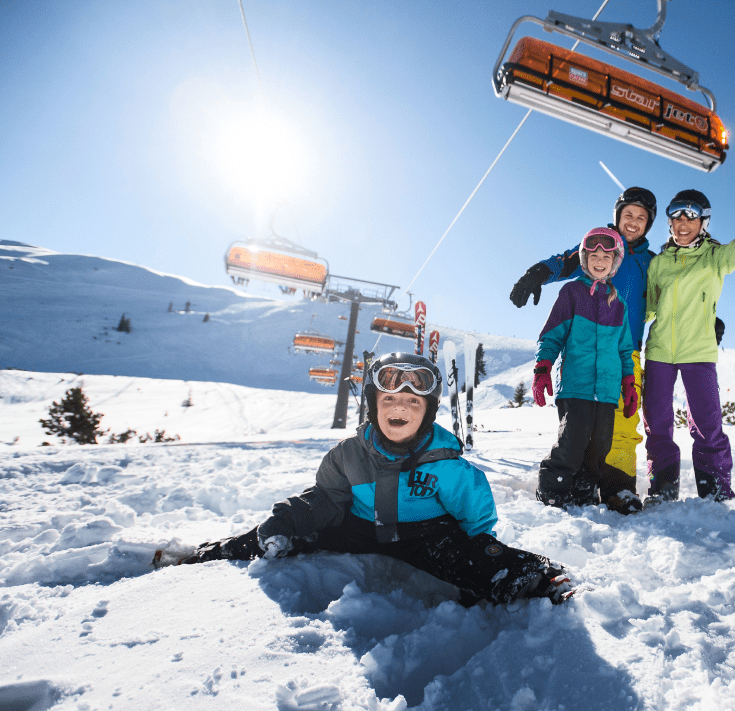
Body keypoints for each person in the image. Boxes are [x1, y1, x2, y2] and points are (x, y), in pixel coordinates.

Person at [180, 353, 573, 606]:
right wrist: (289, 519)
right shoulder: (347, 455)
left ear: (427, 412)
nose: (399, 406)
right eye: (388, 400)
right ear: (372, 406)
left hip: (426, 536)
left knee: (477, 557)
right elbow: (325, 500)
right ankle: (214, 552)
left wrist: (475, 548)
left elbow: (476, 514)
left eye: (412, 402)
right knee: (290, 531)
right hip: (361, 527)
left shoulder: (447, 466)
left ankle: (539, 578)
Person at [510, 188, 656, 514]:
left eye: (641, 217)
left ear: (648, 224)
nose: (633, 222)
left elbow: (675, 293)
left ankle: (619, 490)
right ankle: (573, 488)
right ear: (618, 215)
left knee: (619, 428)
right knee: (578, 431)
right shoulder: (598, 245)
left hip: (624, 350)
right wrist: (537, 274)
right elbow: (563, 262)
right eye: (628, 214)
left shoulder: (651, 262)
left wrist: (706, 317)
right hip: (582, 357)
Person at [643, 190, 735, 502]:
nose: (684, 221)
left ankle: (715, 489)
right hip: (659, 353)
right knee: (657, 423)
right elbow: (649, 308)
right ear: (669, 221)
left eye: (691, 215)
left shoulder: (714, 256)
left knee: (707, 424)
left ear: (703, 222)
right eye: (677, 214)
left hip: (699, 351)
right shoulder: (659, 263)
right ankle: (662, 487)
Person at [532, 227, 637, 510]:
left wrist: (629, 383)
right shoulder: (572, 292)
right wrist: (543, 366)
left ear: (615, 262)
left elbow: (625, 350)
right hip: (576, 385)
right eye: (594, 255)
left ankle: (584, 490)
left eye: (606, 255)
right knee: (572, 441)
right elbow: (552, 334)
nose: (599, 260)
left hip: (605, 390)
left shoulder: (620, 305)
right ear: (584, 258)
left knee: (600, 447)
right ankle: (552, 488)